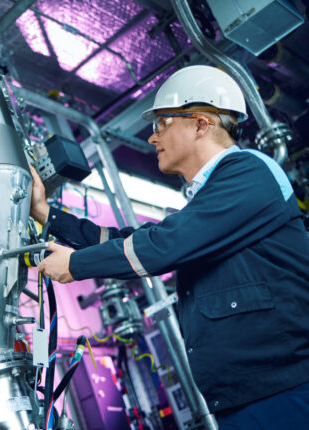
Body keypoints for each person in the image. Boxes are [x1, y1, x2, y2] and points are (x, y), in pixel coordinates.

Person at [30, 65, 309, 428]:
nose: (152, 138)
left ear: (200, 124)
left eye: (162, 124)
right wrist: (46, 213)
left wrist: (77, 265)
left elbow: (164, 245)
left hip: (284, 390)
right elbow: (132, 241)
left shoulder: (249, 171)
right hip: (248, 397)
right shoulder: (211, 201)